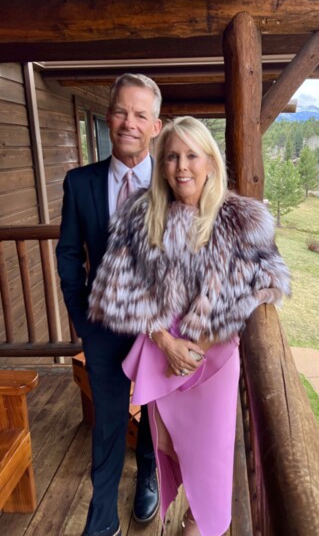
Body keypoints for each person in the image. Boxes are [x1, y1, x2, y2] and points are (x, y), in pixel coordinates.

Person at [88, 116, 291, 536]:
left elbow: (268, 281)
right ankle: (189, 512)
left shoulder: (241, 218)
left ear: (210, 163)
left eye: (192, 156)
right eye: (172, 157)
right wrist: (164, 339)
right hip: (164, 354)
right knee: (167, 446)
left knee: (210, 458)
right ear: (161, 165)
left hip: (212, 360)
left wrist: (200, 336)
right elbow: (118, 290)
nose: (182, 166)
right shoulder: (143, 216)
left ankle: (201, 524)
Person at [56, 73, 162, 536]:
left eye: (141, 114)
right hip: (102, 327)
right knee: (108, 423)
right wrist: (81, 315)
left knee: (156, 415)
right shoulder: (80, 183)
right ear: (107, 116)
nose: (129, 122)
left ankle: (149, 477)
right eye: (121, 111)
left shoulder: (175, 177)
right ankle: (101, 519)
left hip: (162, 329)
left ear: (156, 126)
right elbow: (67, 253)